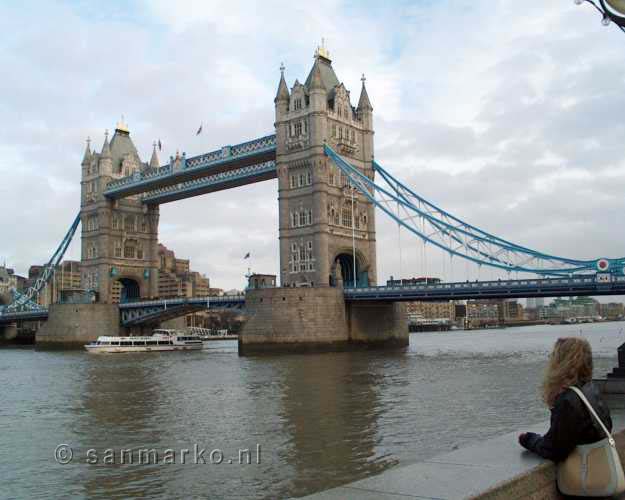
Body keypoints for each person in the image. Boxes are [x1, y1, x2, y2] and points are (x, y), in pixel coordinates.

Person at [518, 337, 612, 462]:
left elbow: (554, 450)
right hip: (601, 463)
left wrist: (528, 439)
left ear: (560, 362)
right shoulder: (591, 388)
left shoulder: (568, 400)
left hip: (584, 474)